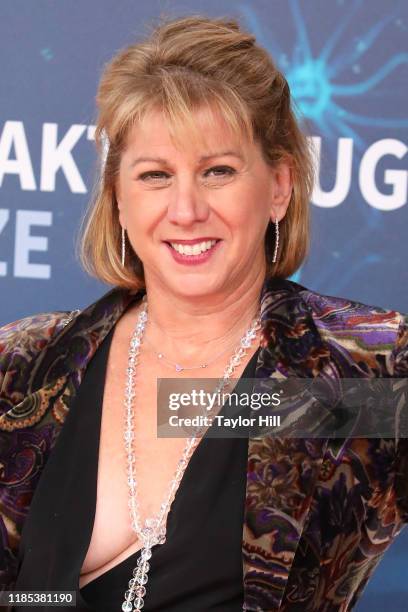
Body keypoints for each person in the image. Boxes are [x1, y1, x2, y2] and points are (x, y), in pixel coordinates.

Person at [0, 14, 407, 612]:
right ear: (118, 199)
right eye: (155, 175)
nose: (186, 209)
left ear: (278, 187)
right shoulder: (28, 366)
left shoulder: (351, 373)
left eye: (218, 171)